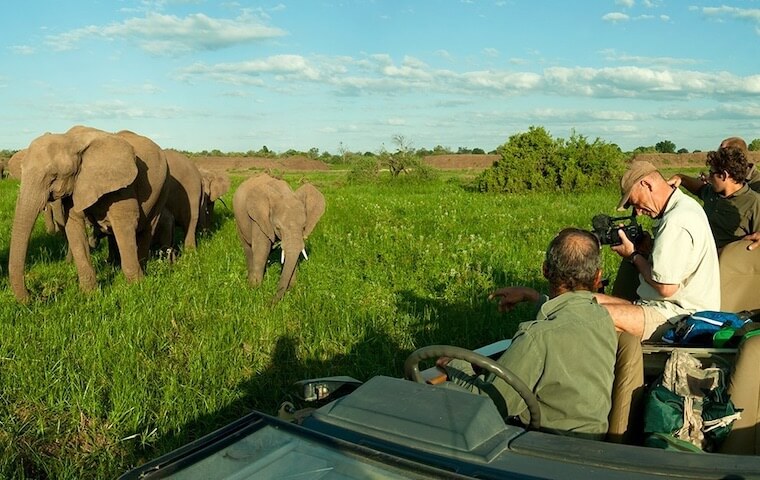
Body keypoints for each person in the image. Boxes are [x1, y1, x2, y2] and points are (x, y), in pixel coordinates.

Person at [441, 228, 618, 440]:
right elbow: (570, 317)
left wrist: (455, 365)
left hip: (546, 446)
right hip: (591, 441)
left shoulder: (537, 337)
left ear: (545, 270)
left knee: (445, 395)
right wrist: (533, 297)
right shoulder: (602, 318)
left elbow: (492, 405)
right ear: (598, 277)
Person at [595, 160, 720, 341]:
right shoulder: (686, 205)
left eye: (634, 202)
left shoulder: (676, 221)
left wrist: (633, 255)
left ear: (646, 184)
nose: (637, 212)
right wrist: (647, 250)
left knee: (592, 315)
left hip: (678, 317)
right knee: (586, 302)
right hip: (664, 307)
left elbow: (665, 287)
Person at [668, 146, 760, 251]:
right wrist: (681, 178)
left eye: (712, 173)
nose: (709, 177)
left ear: (724, 175)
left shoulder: (754, 203)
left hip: (728, 264)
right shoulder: (712, 193)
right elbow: (698, 188)